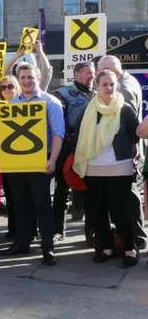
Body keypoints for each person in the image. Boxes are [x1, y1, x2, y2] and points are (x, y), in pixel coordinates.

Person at [0, 62, 64, 266]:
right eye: (23, 77)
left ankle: (47, 248)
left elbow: (58, 133)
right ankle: (22, 243)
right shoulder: (11, 104)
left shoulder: (50, 102)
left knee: (42, 205)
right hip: (16, 163)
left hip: (41, 161)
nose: (26, 81)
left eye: (30, 77)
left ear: (39, 78)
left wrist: (52, 160)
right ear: (18, 80)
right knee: (20, 204)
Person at [74, 69, 140, 267]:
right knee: (98, 212)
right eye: (104, 84)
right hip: (93, 168)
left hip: (119, 168)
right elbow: (77, 135)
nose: (109, 88)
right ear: (97, 86)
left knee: (119, 211)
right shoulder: (88, 110)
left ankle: (130, 249)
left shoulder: (125, 108)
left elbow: (135, 136)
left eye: (112, 84)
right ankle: (106, 248)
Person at [96, 55, 146, 250]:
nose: (100, 74)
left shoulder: (122, 88)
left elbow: (131, 126)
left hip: (123, 153)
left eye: (102, 70)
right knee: (129, 196)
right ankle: (136, 236)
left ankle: (136, 238)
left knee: (128, 197)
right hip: (125, 152)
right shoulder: (130, 79)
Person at [52, 61, 95, 240]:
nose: (92, 76)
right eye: (88, 73)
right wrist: (73, 141)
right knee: (62, 190)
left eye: (93, 73)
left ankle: (92, 232)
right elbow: (58, 122)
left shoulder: (99, 92)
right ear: (77, 74)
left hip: (92, 149)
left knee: (90, 191)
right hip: (68, 148)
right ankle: (57, 230)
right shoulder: (62, 94)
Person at [0, 75, 23, 239]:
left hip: (22, 158)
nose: (7, 89)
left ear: (17, 87)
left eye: (11, 86)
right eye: (3, 87)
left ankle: (26, 231)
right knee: (10, 195)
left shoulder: (24, 105)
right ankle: (13, 230)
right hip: (4, 158)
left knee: (22, 198)